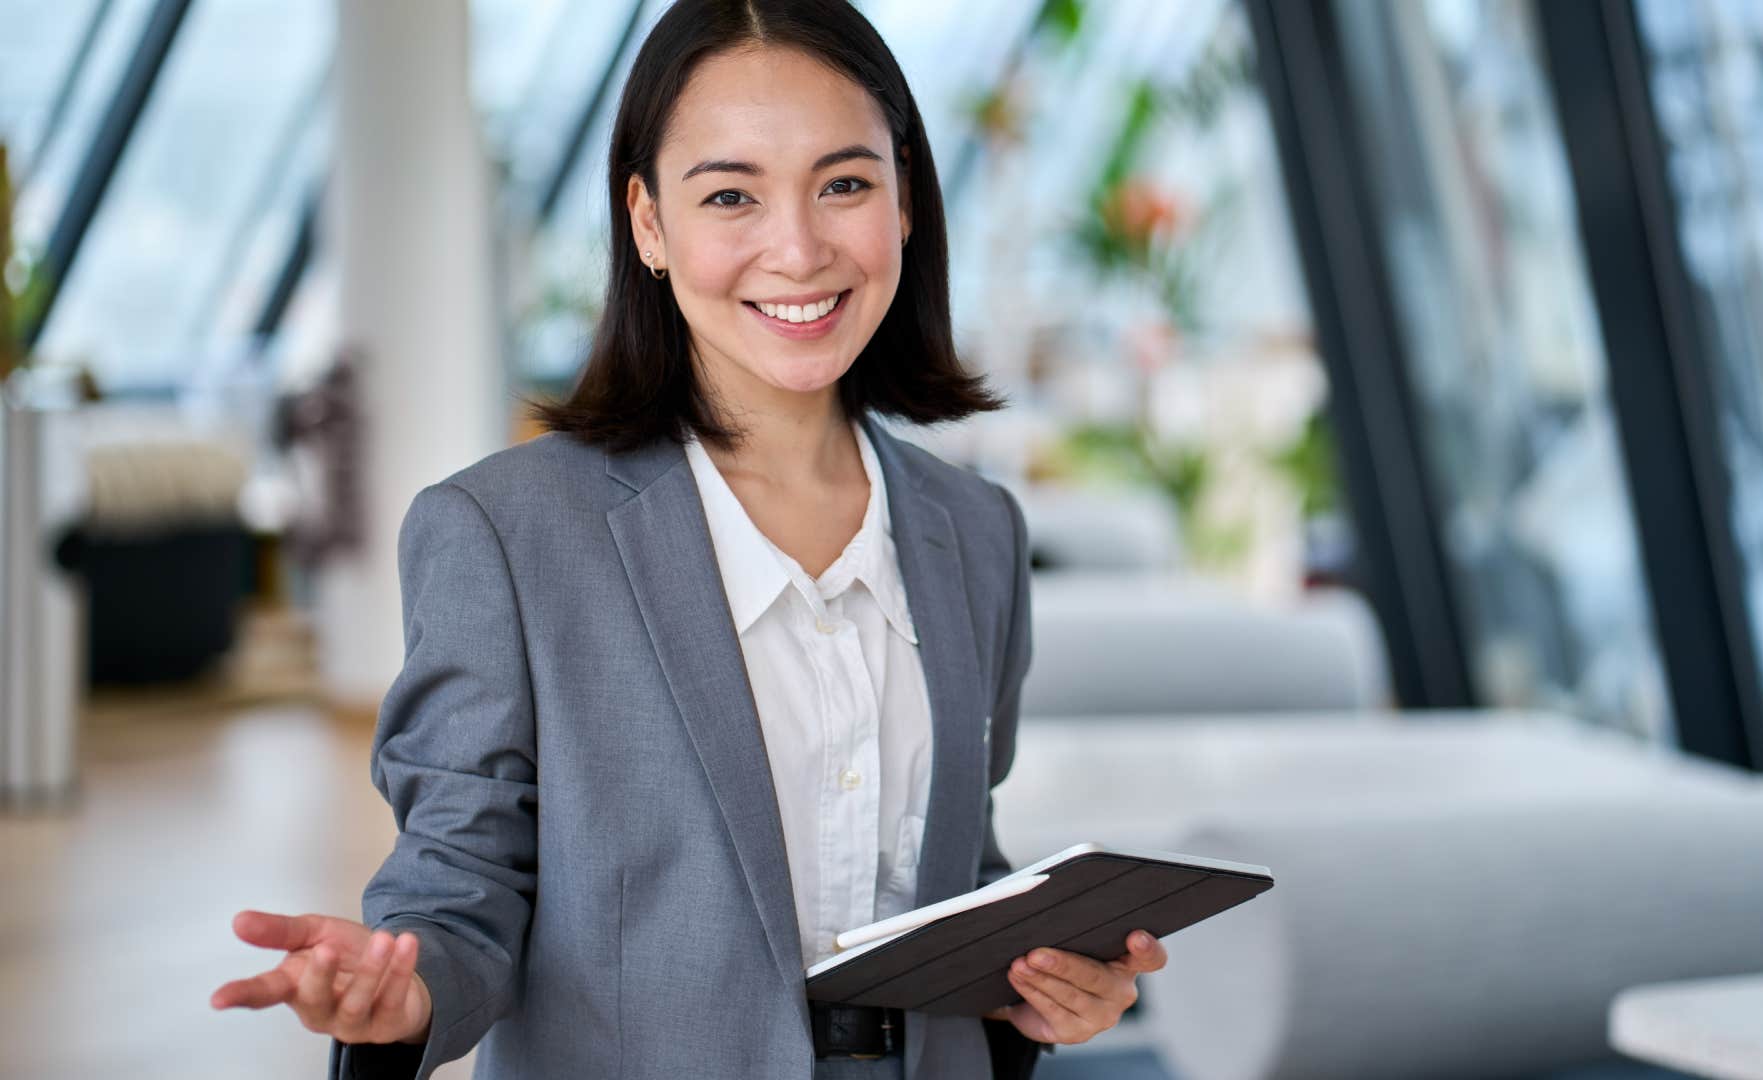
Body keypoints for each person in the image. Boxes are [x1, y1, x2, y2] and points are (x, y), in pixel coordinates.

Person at [210, 1, 1169, 1076]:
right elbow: (461, 885)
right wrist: (405, 988)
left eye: (844, 183)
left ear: (904, 198)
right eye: (730, 196)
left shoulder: (975, 532)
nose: (799, 249)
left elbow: (944, 869)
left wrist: (1030, 990)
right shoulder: (507, 534)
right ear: (649, 224)